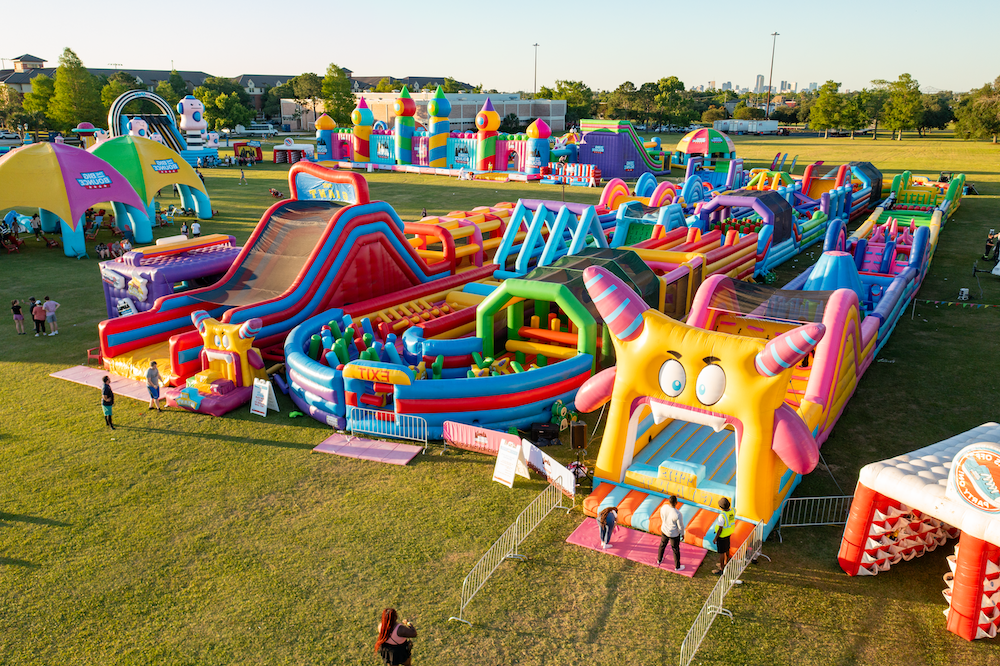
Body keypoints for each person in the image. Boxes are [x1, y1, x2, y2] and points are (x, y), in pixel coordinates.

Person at [656, 495, 685, 571]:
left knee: (662, 545)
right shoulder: (678, 514)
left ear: (669, 501)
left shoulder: (664, 507)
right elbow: (680, 526)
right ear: (676, 502)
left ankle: (659, 559)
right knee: (675, 549)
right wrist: (682, 534)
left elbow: (662, 516)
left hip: (665, 530)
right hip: (673, 534)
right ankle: (677, 566)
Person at [712, 497, 736, 575]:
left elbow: (720, 529)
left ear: (721, 507)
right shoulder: (733, 510)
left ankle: (721, 569)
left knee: (721, 552)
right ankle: (726, 562)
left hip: (722, 536)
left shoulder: (722, 516)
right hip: (729, 533)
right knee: (727, 548)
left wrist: (716, 538)